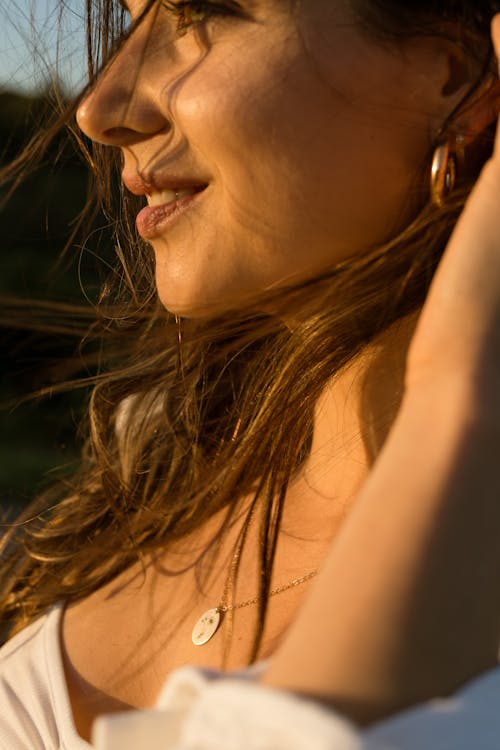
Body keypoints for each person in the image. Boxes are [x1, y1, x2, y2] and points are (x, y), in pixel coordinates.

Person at [2, 0, 500, 747]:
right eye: (132, 19)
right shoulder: (122, 507)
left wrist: (455, 400)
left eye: (200, 12)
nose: (99, 108)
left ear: (456, 72)